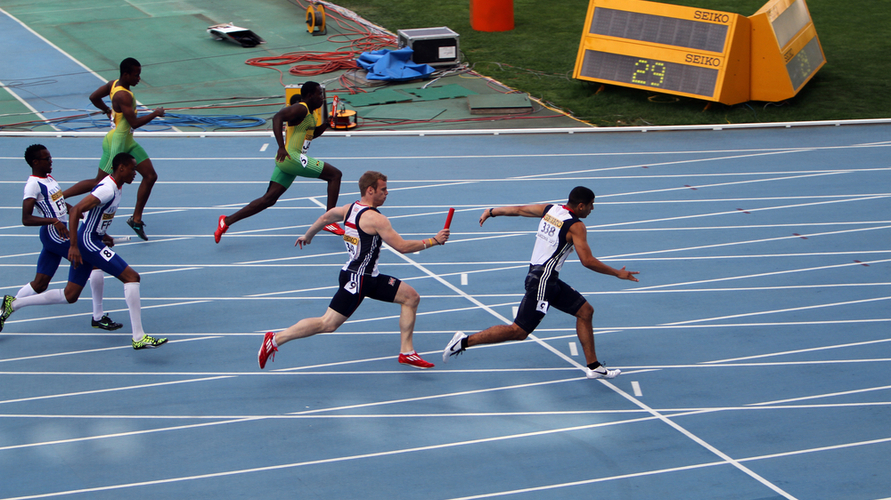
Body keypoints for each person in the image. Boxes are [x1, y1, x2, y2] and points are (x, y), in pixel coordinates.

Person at [257, 171, 449, 370]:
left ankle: (407, 352)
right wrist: (433, 241)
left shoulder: (350, 208)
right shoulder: (376, 219)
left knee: (411, 297)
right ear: (370, 190)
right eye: (383, 190)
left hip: (368, 277)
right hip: (358, 279)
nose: (387, 193)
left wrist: (308, 235)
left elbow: (325, 217)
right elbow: (402, 246)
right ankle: (276, 338)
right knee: (328, 324)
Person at [442, 186, 639, 379]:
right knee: (518, 331)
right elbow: (587, 261)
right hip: (543, 281)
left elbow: (520, 210)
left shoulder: (551, 209)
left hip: (546, 279)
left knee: (585, 311)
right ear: (580, 206)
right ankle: (463, 341)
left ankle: (593, 366)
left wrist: (492, 212)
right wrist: (616, 274)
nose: (592, 209)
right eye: (591, 205)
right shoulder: (576, 226)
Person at [2, 153, 167, 350]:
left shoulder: (115, 185)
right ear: (121, 168)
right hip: (87, 243)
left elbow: (93, 214)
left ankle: (14, 304)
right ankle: (138, 337)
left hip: (92, 239)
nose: (135, 174)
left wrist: (102, 233)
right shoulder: (107, 189)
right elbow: (75, 211)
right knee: (132, 277)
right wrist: (74, 245)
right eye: (133, 170)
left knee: (69, 295)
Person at [0, 144, 122, 334]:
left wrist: (77, 213)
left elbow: (58, 203)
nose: (51, 161)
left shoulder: (48, 178)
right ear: (35, 162)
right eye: (47, 159)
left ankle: (8, 306)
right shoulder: (33, 184)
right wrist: (54, 221)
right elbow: (26, 218)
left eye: (50, 158)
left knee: (40, 284)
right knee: (93, 260)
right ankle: (98, 317)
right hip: (54, 234)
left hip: (58, 232)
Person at [215, 81, 344, 243]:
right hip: (291, 157)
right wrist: (281, 147)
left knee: (268, 199)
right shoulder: (301, 108)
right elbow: (278, 117)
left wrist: (326, 123)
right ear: (310, 95)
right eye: (320, 95)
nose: (322, 98)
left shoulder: (311, 114)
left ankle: (226, 221)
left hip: (288, 161)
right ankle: (329, 220)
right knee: (335, 175)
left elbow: (312, 134)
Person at [67, 57, 165, 241]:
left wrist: (107, 110)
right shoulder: (123, 95)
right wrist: (155, 113)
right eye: (136, 75)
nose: (139, 78)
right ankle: (59, 196)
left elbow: (94, 97)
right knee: (100, 182)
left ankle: (136, 219)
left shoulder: (113, 85)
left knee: (150, 176)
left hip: (128, 141)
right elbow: (134, 122)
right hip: (117, 143)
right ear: (126, 74)